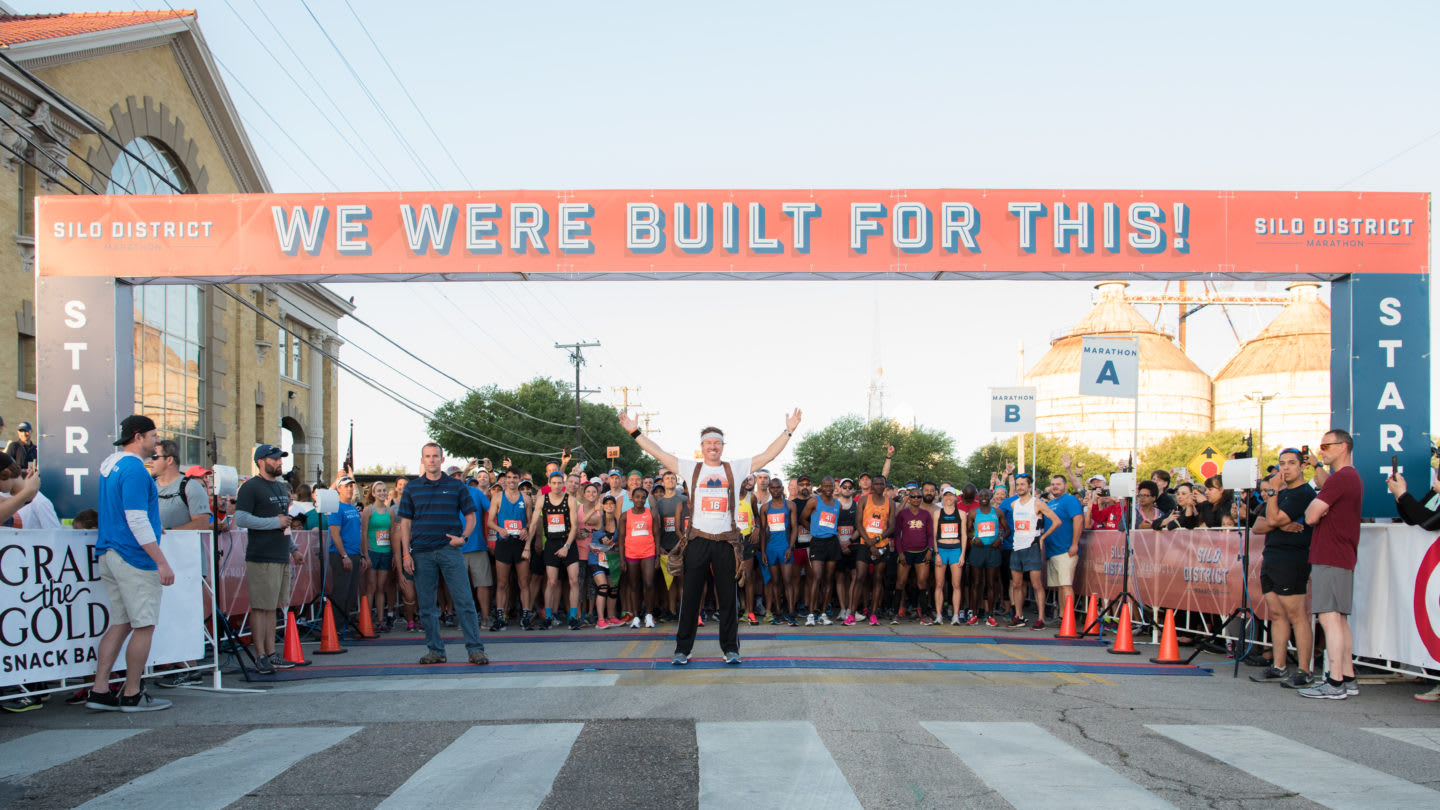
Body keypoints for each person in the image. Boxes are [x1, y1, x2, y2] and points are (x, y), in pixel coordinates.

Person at [620, 409, 801, 666]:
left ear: (723, 446)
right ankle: (683, 649)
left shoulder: (735, 468)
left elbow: (768, 454)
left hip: (726, 542)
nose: (713, 446)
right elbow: (658, 452)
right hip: (697, 541)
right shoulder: (690, 468)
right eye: (708, 443)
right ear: (702, 447)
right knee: (691, 597)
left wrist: (789, 430)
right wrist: (634, 431)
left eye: (717, 442)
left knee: (728, 598)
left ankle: (730, 649)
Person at [85, 415, 173, 712]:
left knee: (120, 622)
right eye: (153, 437)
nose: (156, 442)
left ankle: (99, 690)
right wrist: (161, 561)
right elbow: (136, 518)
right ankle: (132, 692)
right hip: (133, 555)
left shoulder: (112, 466)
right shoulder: (135, 470)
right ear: (138, 436)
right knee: (144, 624)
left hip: (109, 551)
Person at [396, 442, 488, 666]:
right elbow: (405, 524)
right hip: (420, 553)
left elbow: (471, 518)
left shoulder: (456, 486)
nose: (432, 460)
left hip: (450, 550)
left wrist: (463, 538)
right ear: (422, 460)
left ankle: (475, 650)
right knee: (427, 605)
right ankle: (436, 650)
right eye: (427, 456)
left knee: (464, 601)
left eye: (435, 456)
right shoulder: (412, 488)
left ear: (442, 459)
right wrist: (406, 556)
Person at [1298, 429, 1362, 700]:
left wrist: (1317, 507)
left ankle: (1335, 681)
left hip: (1330, 554)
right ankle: (1346, 677)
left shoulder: (1340, 478)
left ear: (1343, 447)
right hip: (1341, 554)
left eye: (1326, 445)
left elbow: (1311, 516)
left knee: (1329, 617)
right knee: (1339, 619)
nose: (1321, 450)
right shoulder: (1351, 477)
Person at [1249, 448, 1317, 689]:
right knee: (1277, 614)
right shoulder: (1282, 493)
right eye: (1282, 463)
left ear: (1301, 467)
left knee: (1297, 615)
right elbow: (1258, 525)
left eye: (1291, 463)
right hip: (1272, 556)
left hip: (1293, 558)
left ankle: (1304, 670)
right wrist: (1278, 524)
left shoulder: (1302, 493)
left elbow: (1274, 519)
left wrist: (1276, 516)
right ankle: (1278, 666)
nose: (1285, 468)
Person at [233, 444, 304, 675]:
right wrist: (273, 523)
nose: (280, 462)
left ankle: (272, 653)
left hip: (280, 554)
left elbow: (284, 523)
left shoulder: (281, 489)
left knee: (272, 607)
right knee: (260, 607)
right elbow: (241, 519)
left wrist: (293, 549)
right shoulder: (250, 487)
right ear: (261, 461)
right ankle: (261, 655)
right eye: (275, 459)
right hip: (261, 555)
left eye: (281, 458)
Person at [150, 440, 211, 688]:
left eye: (155, 457)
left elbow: (202, 521)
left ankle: (189, 667)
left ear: (169, 460)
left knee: (185, 611)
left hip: (186, 562)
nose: (151, 461)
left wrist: (170, 532)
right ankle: (170, 662)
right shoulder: (150, 487)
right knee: (163, 613)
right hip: (159, 561)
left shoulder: (190, 487)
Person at [1386, 467, 1440, 702]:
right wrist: (1401, 494)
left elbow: (1430, 522)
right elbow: (1413, 516)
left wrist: (1404, 495)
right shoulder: (1434, 492)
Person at [1005, 474, 1061, 630]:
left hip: (1032, 547)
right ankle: (1019, 616)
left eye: (1023, 484)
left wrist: (1043, 537)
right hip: (1017, 547)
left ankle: (1041, 618)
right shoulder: (1014, 505)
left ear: (1029, 486)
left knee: (1036, 584)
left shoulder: (1037, 504)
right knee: (1016, 584)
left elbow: (1057, 521)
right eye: (1018, 484)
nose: (1020, 487)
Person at [531, 469, 583, 630]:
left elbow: (575, 527)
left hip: (568, 542)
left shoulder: (570, 500)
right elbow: (533, 523)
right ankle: (548, 617)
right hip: (552, 544)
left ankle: (573, 617)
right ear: (549, 484)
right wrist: (527, 546)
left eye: (559, 483)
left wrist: (567, 546)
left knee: (574, 580)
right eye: (553, 483)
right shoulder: (542, 499)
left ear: (564, 484)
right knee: (552, 582)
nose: (556, 486)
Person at [488, 468, 533, 631]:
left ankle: (526, 616)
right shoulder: (498, 497)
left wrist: (526, 529)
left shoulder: (526, 499)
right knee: (501, 583)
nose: (512, 480)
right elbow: (490, 521)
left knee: (523, 582)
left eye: (515, 477)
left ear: (519, 479)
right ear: (505, 480)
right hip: (504, 542)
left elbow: (530, 522)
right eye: (509, 477)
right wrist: (499, 529)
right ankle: (501, 617)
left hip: (520, 543)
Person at [798, 477, 842, 626]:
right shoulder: (814, 501)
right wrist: (813, 530)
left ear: (834, 487)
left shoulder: (838, 504)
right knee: (816, 577)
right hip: (817, 543)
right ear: (821, 487)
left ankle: (823, 613)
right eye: (825, 486)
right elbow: (802, 518)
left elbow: (835, 522)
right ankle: (811, 614)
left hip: (832, 542)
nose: (828, 488)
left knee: (828, 579)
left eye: (831, 486)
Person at [1043, 474, 1085, 622]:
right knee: (1060, 586)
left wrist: (1074, 544)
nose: (1055, 486)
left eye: (1058, 484)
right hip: (1052, 551)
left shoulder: (1070, 500)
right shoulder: (1050, 503)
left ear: (1065, 486)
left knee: (1066, 585)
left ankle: (1069, 618)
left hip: (1066, 550)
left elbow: (1078, 520)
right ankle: (1062, 616)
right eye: (1053, 484)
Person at [854, 474, 894, 627]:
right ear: (872, 486)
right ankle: (851, 614)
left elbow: (892, 527)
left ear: (884, 486)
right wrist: (870, 544)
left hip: (881, 545)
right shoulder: (864, 500)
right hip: (865, 544)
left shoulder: (890, 503)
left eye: (881, 484)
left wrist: (877, 541)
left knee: (878, 579)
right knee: (860, 577)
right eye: (875, 483)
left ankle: (873, 614)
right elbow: (858, 523)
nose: (878, 486)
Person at [362, 481, 403, 632]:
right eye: (378, 491)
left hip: (386, 552)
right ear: (373, 493)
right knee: (371, 587)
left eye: (384, 490)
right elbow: (364, 533)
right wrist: (365, 554)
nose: (382, 493)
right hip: (373, 552)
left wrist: (394, 553)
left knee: (381, 587)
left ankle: (380, 620)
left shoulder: (390, 511)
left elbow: (392, 533)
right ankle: (367, 620)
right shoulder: (368, 511)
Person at [889, 490, 934, 623]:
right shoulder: (903, 514)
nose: (915, 499)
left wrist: (930, 549)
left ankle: (924, 614)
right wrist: (900, 552)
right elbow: (897, 535)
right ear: (909, 499)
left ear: (921, 498)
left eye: (918, 496)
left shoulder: (926, 514)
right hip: (906, 552)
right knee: (900, 583)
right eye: (912, 496)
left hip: (922, 552)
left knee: (922, 583)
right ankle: (896, 613)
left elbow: (930, 534)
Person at [326, 476, 365, 625]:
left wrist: (361, 554)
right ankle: (334, 624)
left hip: (354, 554)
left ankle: (344, 623)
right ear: (339, 489)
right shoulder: (337, 508)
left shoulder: (353, 508)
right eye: (346, 486)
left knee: (351, 591)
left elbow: (356, 533)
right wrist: (344, 555)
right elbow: (335, 534)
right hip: (342, 555)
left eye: (351, 486)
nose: (350, 488)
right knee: (341, 591)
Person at [620, 485, 661, 628]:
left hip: (648, 553)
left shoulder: (652, 513)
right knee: (634, 585)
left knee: (649, 583)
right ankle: (636, 616)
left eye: (643, 497)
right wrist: (621, 559)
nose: (640, 500)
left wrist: (657, 556)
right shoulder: (625, 515)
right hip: (631, 554)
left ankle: (649, 615)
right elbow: (620, 538)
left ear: (646, 499)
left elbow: (657, 535)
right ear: (632, 498)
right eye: (637, 497)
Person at [758, 477, 797, 625]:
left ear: (782, 488)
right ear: (769, 489)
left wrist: (790, 547)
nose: (775, 490)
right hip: (771, 549)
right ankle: (779, 612)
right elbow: (762, 532)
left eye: (778, 487)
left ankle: (791, 613)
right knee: (775, 581)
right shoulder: (765, 508)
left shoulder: (790, 506)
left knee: (787, 580)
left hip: (784, 548)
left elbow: (794, 528)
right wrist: (762, 552)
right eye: (772, 488)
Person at [967, 488, 1006, 626]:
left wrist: (1000, 538)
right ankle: (974, 614)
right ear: (978, 498)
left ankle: (991, 615)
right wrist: (974, 538)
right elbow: (967, 531)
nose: (984, 497)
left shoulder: (998, 512)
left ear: (991, 497)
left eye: (986, 495)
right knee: (976, 583)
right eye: (981, 495)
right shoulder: (973, 513)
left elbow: (1007, 530)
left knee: (991, 584)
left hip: (992, 550)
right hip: (978, 550)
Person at [461, 475, 495, 632]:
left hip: (477, 546)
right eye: (453, 477)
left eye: (458, 476)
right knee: (460, 586)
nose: (457, 479)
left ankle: (485, 617)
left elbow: (492, 509)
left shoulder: (476, 493)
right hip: (455, 548)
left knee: (483, 584)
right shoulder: (447, 495)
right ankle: (463, 619)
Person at [933, 485, 968, 625]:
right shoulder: (937, 513)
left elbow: (964, 535)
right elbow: (934, 535)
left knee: (956, 584)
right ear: (943, 496)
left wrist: (962, 555)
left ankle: (955, 616)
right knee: (939, 584)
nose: (948, 498)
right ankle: (939, 615)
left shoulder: (961, 514)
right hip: (941, 549)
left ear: (955, 497)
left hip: (955, 550)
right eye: (946, 495)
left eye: (951, 495)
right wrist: (936, 553)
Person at [588, 493, 623, 628]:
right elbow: (586, 520)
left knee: (613, 589)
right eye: (606, 503)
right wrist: (595, 509)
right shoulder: (598, 519)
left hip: (611, 559)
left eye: (612, 504)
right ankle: (600, 620)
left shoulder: (617, 521)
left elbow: (620, 540)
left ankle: (611, 617)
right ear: (603, 506)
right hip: (596, 559)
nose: (609, 506)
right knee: (603, 587)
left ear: (615, 506)